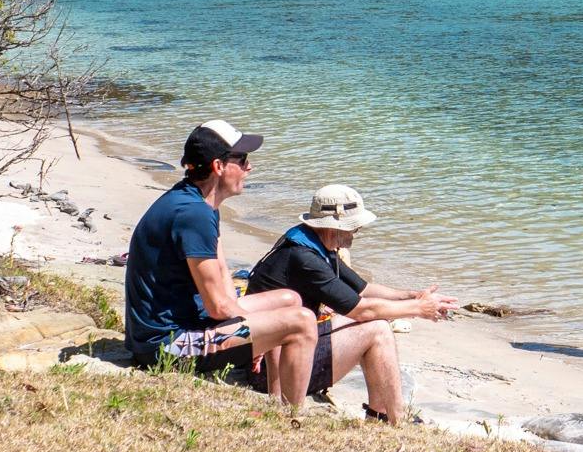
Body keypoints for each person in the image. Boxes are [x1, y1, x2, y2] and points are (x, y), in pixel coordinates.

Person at [123, 120, 316, 405]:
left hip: (185, 325)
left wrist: (258, 332)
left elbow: (222, 275)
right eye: (242, 160)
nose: (249, 168)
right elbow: (217, 306)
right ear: (218, 166)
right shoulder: (194, 214)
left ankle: (276, 399)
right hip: (166, 347)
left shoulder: (199, 203)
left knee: (289, 300)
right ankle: (293, 417)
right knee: (302, 322)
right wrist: (256, 331)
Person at [242, 183, 460, 423]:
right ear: (332, 226)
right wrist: (419, 310)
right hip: (271, 371)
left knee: (375, 322)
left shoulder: (310, 242)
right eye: (353, 226)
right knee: (376, 329)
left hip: (289, 348)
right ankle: (395, 419)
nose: (356, 231)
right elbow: (361, 309)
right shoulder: (305, 259)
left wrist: (414, 296)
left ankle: (381, 415)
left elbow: (364, 290)